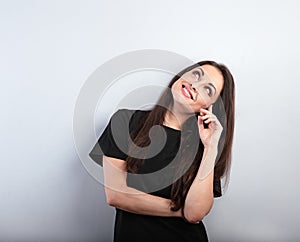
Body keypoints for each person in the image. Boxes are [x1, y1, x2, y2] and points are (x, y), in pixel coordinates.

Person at [89, 60, 235, 242]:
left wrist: (211, 147)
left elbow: (196, 213)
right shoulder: (125, 121)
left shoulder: (204, 147)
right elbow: (117, 195)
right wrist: (181, 210)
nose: (195, 85)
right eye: (196, 75)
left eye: (208, 90)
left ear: (210, 107)